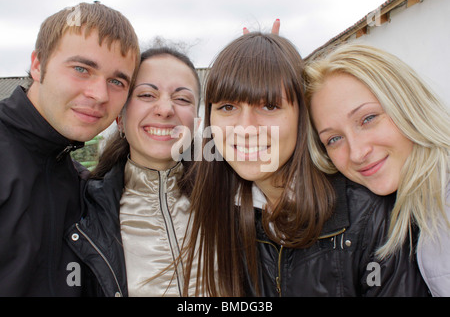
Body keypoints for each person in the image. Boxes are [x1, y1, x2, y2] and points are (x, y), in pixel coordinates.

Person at [182, 32, 429, 296]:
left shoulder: (369, 214)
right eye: (228, 107)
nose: (245, 129)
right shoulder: (220, 200)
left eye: (269, 106)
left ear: (302, 117)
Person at [0, 2, 140, 296]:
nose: (100, 94)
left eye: (116, 81)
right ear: (38, 65)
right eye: (81, 69)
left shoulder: (84, 186)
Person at [304, 43, 450, 296]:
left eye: (368, 119)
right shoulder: (419, 207)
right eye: (334, 139)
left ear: (408, 104)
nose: (357, 153)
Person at [65, 46, 201, 297]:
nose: (165, 109)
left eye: (182, 99)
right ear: (120, 119)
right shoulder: (83, 212)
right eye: (147, 95)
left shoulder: (232, 201)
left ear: (197, 121)